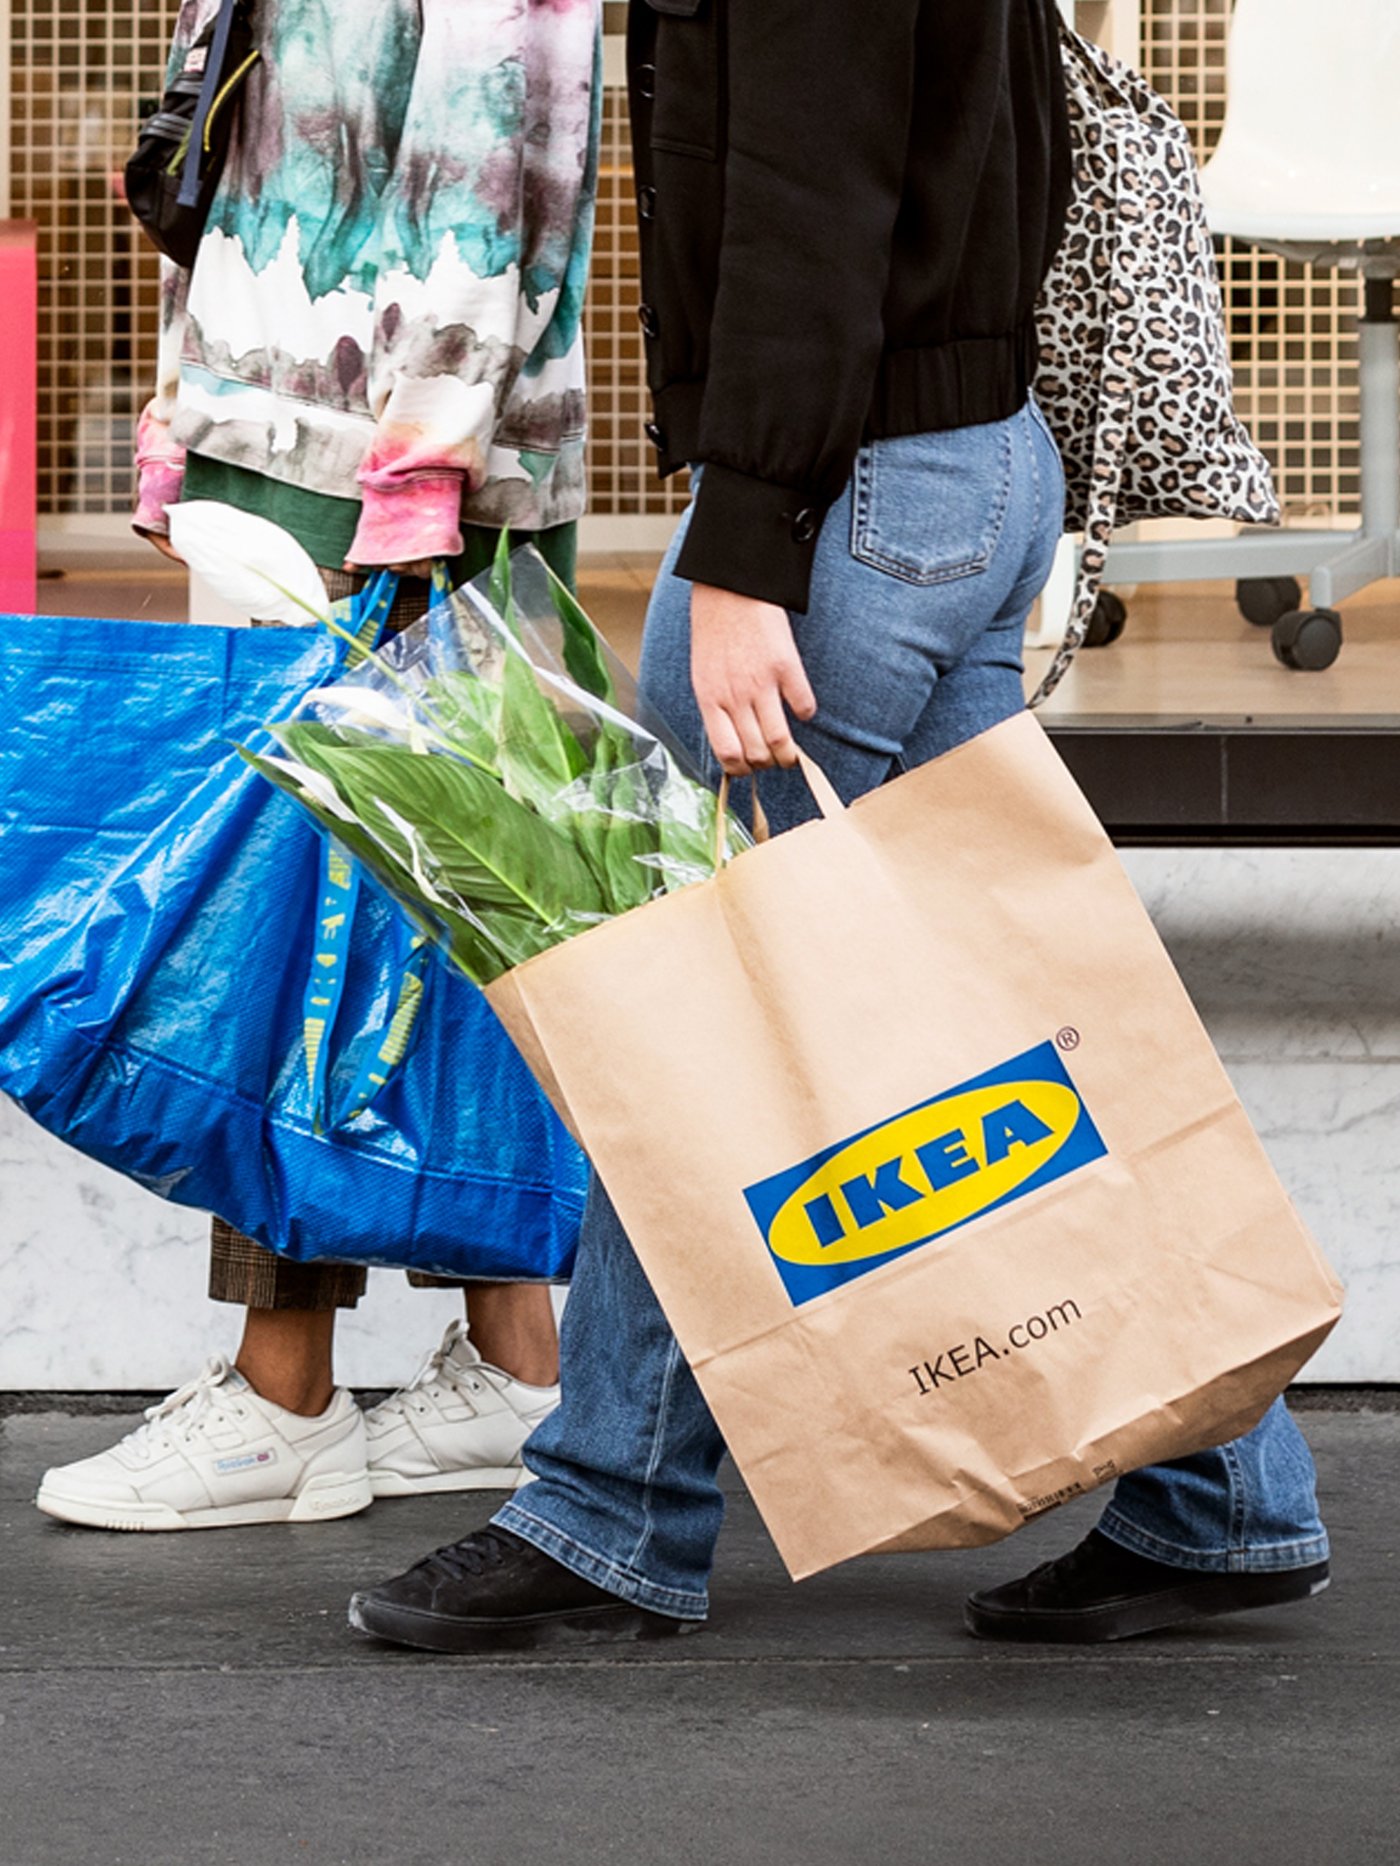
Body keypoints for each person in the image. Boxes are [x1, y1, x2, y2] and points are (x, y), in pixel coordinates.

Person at [346, 0, 1331, 1649]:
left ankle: (611, 1502)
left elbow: (811, 190)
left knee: (704, 1017)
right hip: (966, 463)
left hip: (847, 505)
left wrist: (745, 537)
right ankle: (1223, 1488)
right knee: (1000, 1007)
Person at [36, 0, 601, 1532]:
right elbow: (248, 147)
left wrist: (418, 470)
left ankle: (283, 1389)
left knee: (290, 921)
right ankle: (517, 1356)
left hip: (378, 471)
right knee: (437, 905)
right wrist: (185, 414)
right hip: (306, 443)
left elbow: (506, 162)